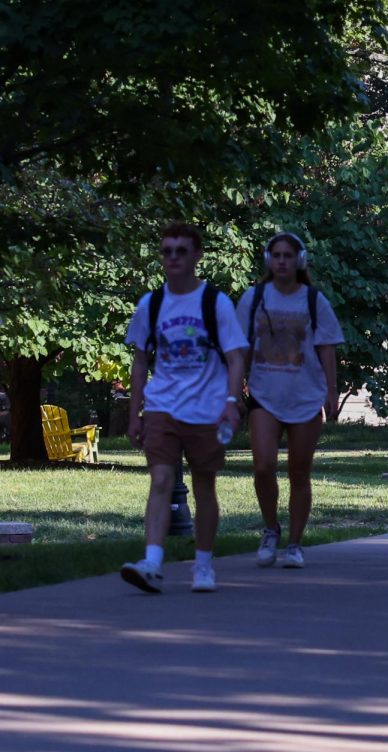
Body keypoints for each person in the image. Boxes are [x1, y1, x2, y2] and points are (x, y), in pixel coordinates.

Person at [121, 222, 248, 593]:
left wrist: (230, 401)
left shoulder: (215, 302)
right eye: (167, 251)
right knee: (160, 480)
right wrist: (135, 413)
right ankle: (152, 563)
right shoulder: (151, 304)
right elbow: (141, 361)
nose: (173, 257)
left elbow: (235, 357)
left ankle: (204, 565)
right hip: (162, 406)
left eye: (180, 251)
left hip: (207, 408)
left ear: (196, 255)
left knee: (204, 484)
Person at [237, 232, 345, 568]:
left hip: (306, 396)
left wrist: (331, 391)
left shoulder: (314, 301)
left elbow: (327, 348)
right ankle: (271, 528)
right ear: (269, 259)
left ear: (299, 260)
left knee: (300, 471)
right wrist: (232, 388)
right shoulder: (253, 298)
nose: (282, 261)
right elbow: (238, 347)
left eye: (288, 255)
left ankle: (294, 544)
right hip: (264, 394)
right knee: (263, 466)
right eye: (277, 255)